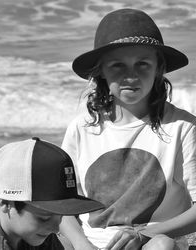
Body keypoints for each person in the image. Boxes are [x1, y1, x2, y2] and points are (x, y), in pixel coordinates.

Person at [60, 8, 196, 250]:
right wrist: (82, 244)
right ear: (100, 70)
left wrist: (145, 234)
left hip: (155, 241)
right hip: (92, 243)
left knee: (162, 246)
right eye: (117, 65)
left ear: (158, 69)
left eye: (142, 64)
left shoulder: (183, 127)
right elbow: (62, 203)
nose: (130, 76)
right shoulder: (81, 129)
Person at [0, 137, 104, 250]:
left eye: (61, 217)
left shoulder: (31, 234)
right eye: (44, 218)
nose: (55, 229)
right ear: (5, 203)